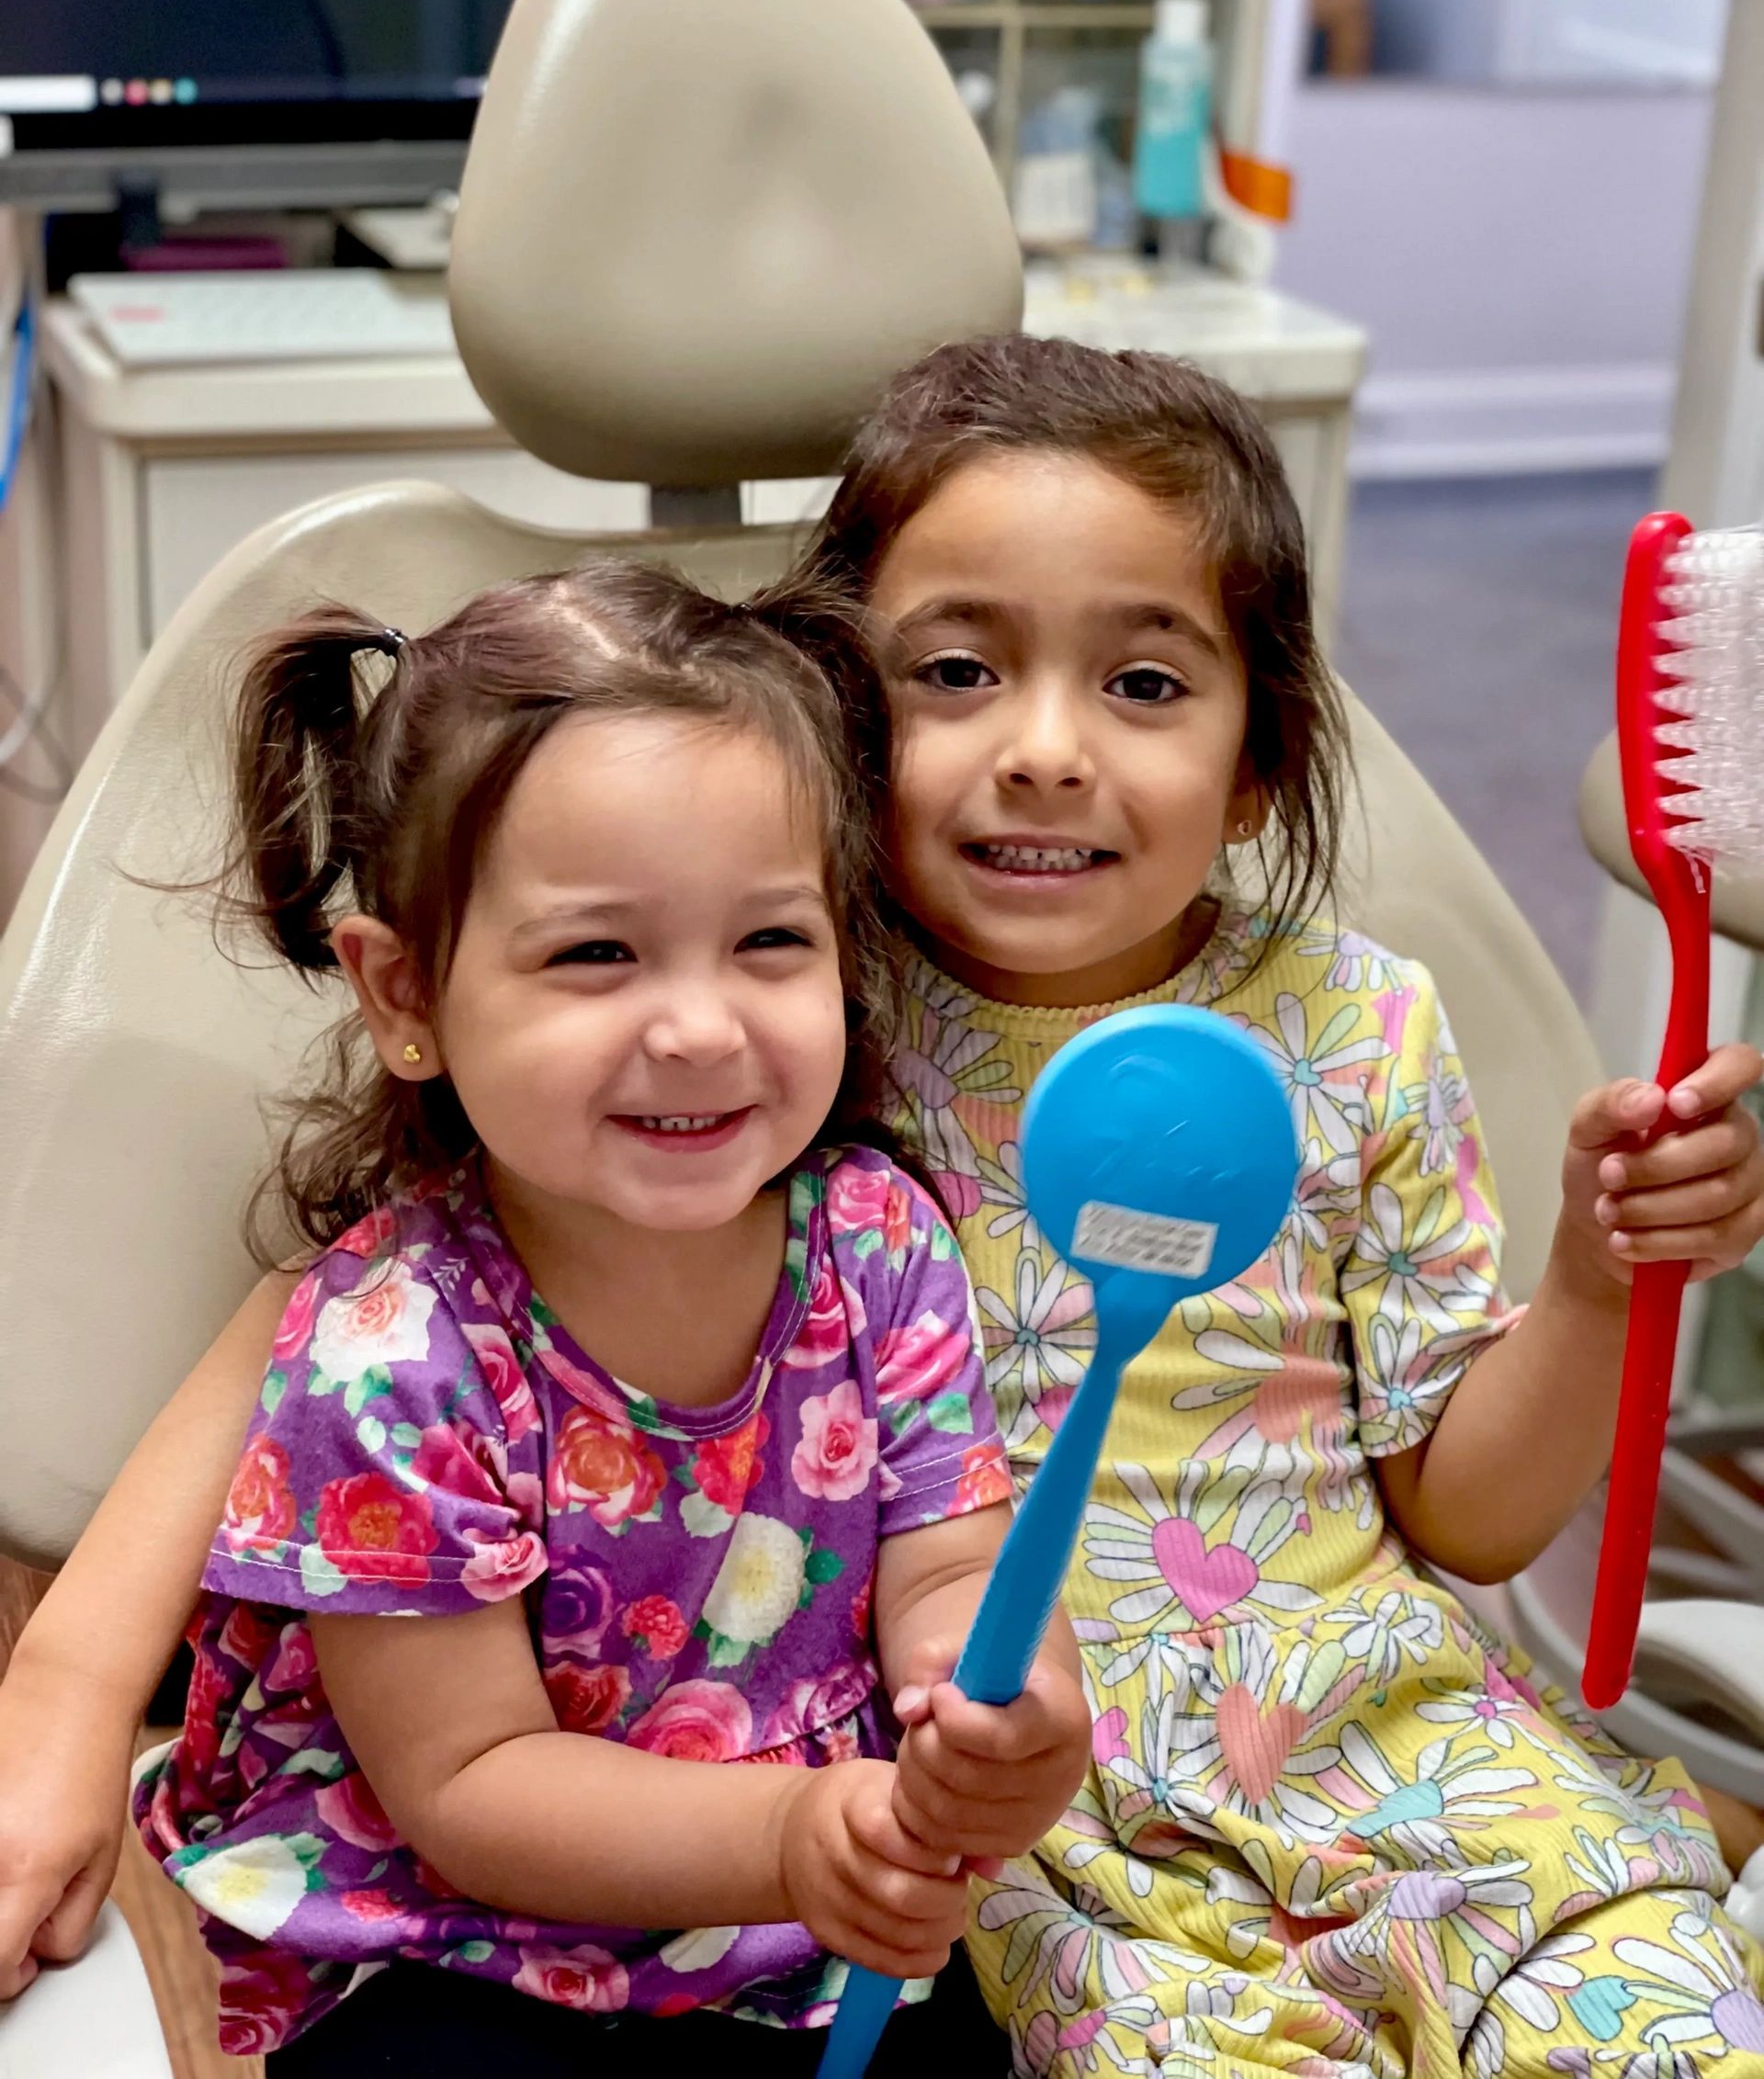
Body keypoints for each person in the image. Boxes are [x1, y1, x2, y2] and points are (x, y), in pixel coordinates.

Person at [5, 338, 1764, 2075]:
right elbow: (353, 1319)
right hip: (1011, 1812)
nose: (1048, 751)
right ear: (850, 731)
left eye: (1147, 682)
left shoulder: (1338, 1027)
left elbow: (1467, 1519)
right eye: (958, 671)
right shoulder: (799, 1013)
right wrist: (67, 1699)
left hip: (1387, 1735)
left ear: (1262, 753)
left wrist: (1601, 1281)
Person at [0, 557, 1088, 2071]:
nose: (700, 1025)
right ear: (405, 998)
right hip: (479, 1960)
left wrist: (1002, 1703)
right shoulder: (391, 1357)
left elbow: (951, 1564)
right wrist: (791, 1833)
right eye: (596, 954)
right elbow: (473, 1784)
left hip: (824, 1939)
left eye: (772, 941)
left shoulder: (880, 1242)